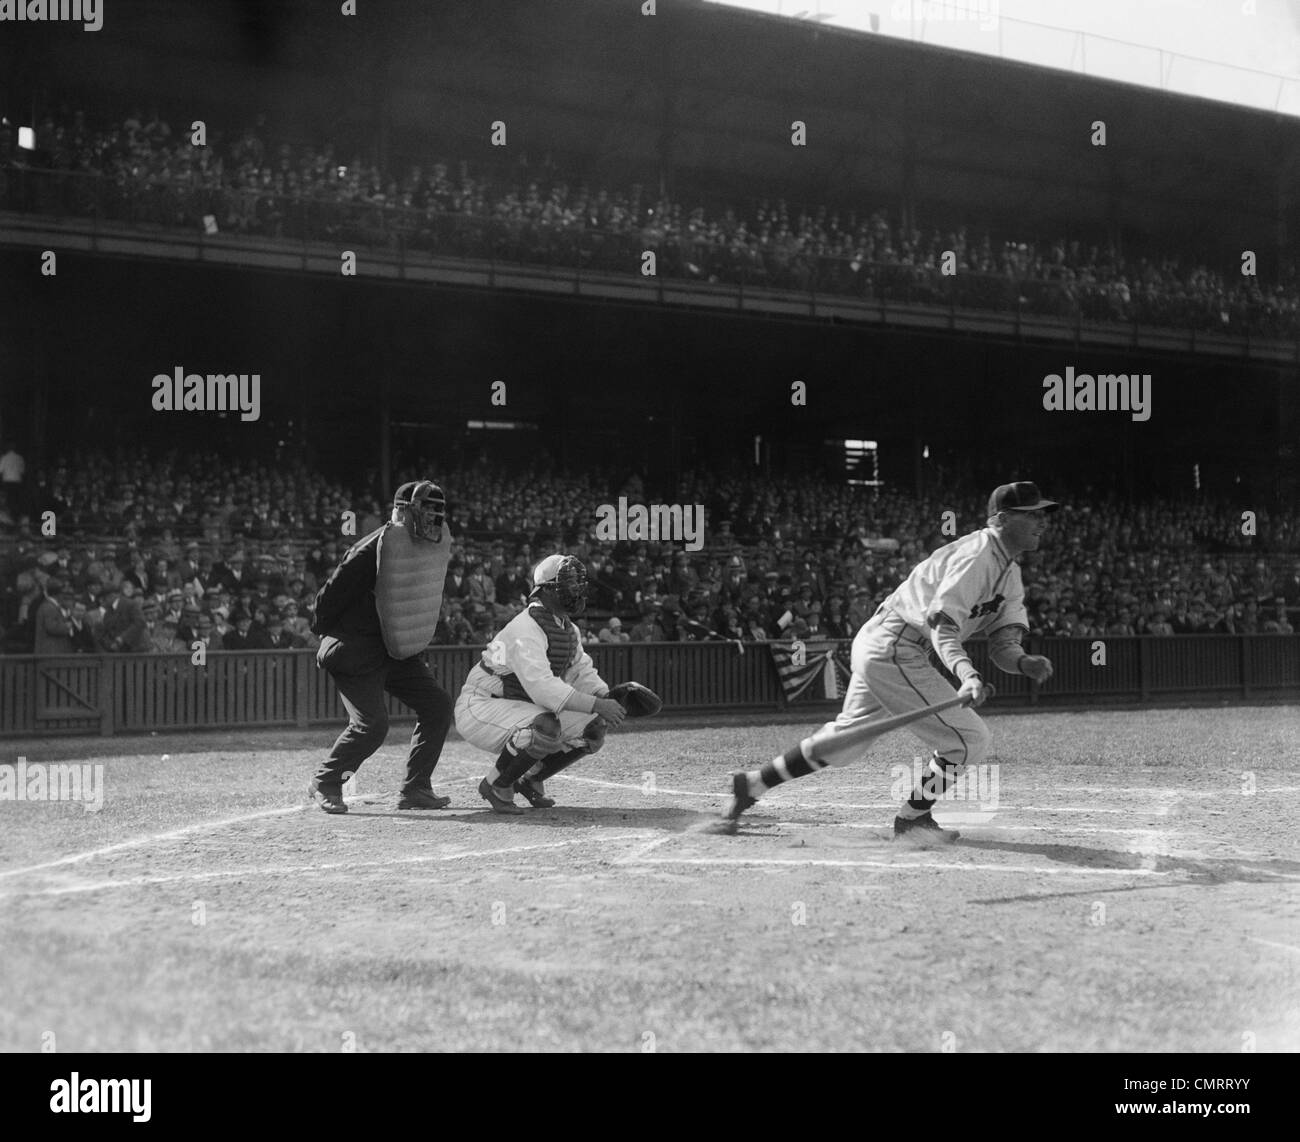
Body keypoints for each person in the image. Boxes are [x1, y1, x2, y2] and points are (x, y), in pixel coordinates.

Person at [708, 481, 1059, 846]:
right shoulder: (977, 555)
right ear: (1002, 519)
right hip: (895, 644)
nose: (1042, 522)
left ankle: (752, 784)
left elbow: (1003, 643)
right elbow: (942, 625)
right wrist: (966, 674)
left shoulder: (1010, 573)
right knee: (969, 738)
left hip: (891, 646)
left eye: (1043, 515)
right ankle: (913, 818)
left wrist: (1023, 662)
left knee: (844, 743)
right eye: (1032, 515)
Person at [308, 480, 455, 814]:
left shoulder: (427, 548)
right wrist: (335, 634)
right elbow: (327, 600)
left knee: (438, 706)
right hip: (357, 649)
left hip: (396, 650)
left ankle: (416, 788)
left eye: (437, 509)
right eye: (426, 508)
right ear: (404, 511)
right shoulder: (370, 548)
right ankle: (326, 781)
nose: (433, 516)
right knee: (372, 726)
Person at [454, 554, 627, 814]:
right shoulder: (525, 628)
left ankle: (531, 779)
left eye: (578, 583)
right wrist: (597, 703)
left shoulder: (568, 629)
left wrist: (606, 695)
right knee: (545, 725)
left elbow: (581, 671)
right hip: (481, 704)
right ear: (546, 590)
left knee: (594, 727)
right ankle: (496, 784)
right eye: (568, 583)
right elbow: (542, 687)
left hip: (518, 705)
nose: (577, 590)